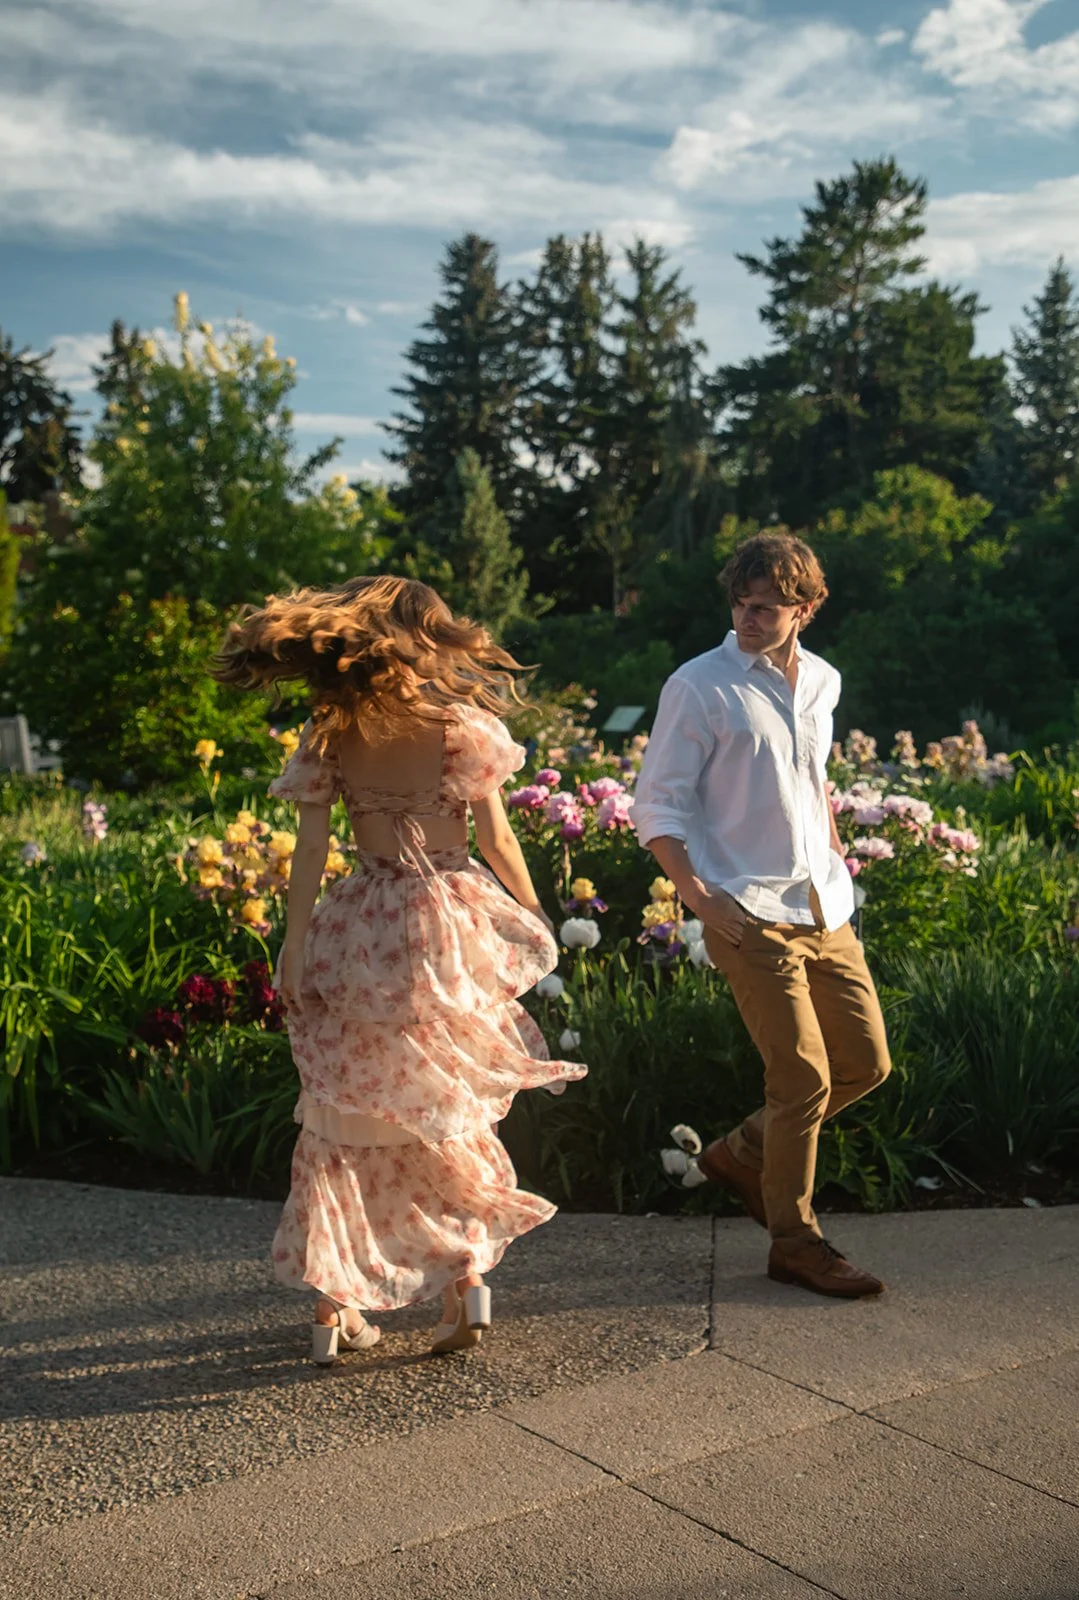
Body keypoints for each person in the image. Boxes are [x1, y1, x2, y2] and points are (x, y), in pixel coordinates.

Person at [214, 575, 583, 1361]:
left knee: (341, 1113)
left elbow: (311, 849)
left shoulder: (333, 729)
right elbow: (498, 841)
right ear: (426, 638)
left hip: (361, 924)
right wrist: (535, 917)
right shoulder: (463, 727)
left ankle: (331, 1307)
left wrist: (294, 941)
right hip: (446, 926)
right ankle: (466, 1288)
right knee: (446, 1107)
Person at [633, 533, 891, 1298]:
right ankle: (795, 1241)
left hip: (823, 902)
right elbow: (657, 802)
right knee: (802, 1076)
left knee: (865, 1064)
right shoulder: (698, 685)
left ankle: (741, 1155)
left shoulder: (822, 682)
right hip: (745, 908)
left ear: (804, 610)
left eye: (767, 607)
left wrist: (836, 855)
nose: (748, 618)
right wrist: (697, 894)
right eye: (741, 604)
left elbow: (811, 777)